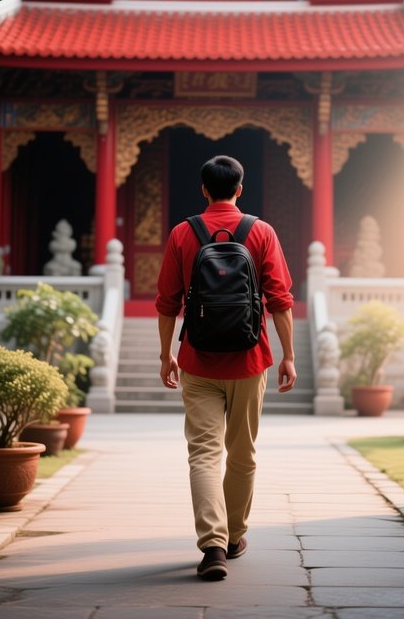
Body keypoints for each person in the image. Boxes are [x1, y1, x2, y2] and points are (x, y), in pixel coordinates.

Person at [155, 155, 297, 581]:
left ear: (203, 189)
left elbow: (166, 304)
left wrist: (167, 355)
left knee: (203, 454)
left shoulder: (183, 233)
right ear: (239, 188)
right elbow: (280, 301)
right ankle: (235, 536)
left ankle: (212, 545)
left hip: (197, 360)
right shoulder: (261, 232)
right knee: (243, 454)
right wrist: (288, 354)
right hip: (250, 360)